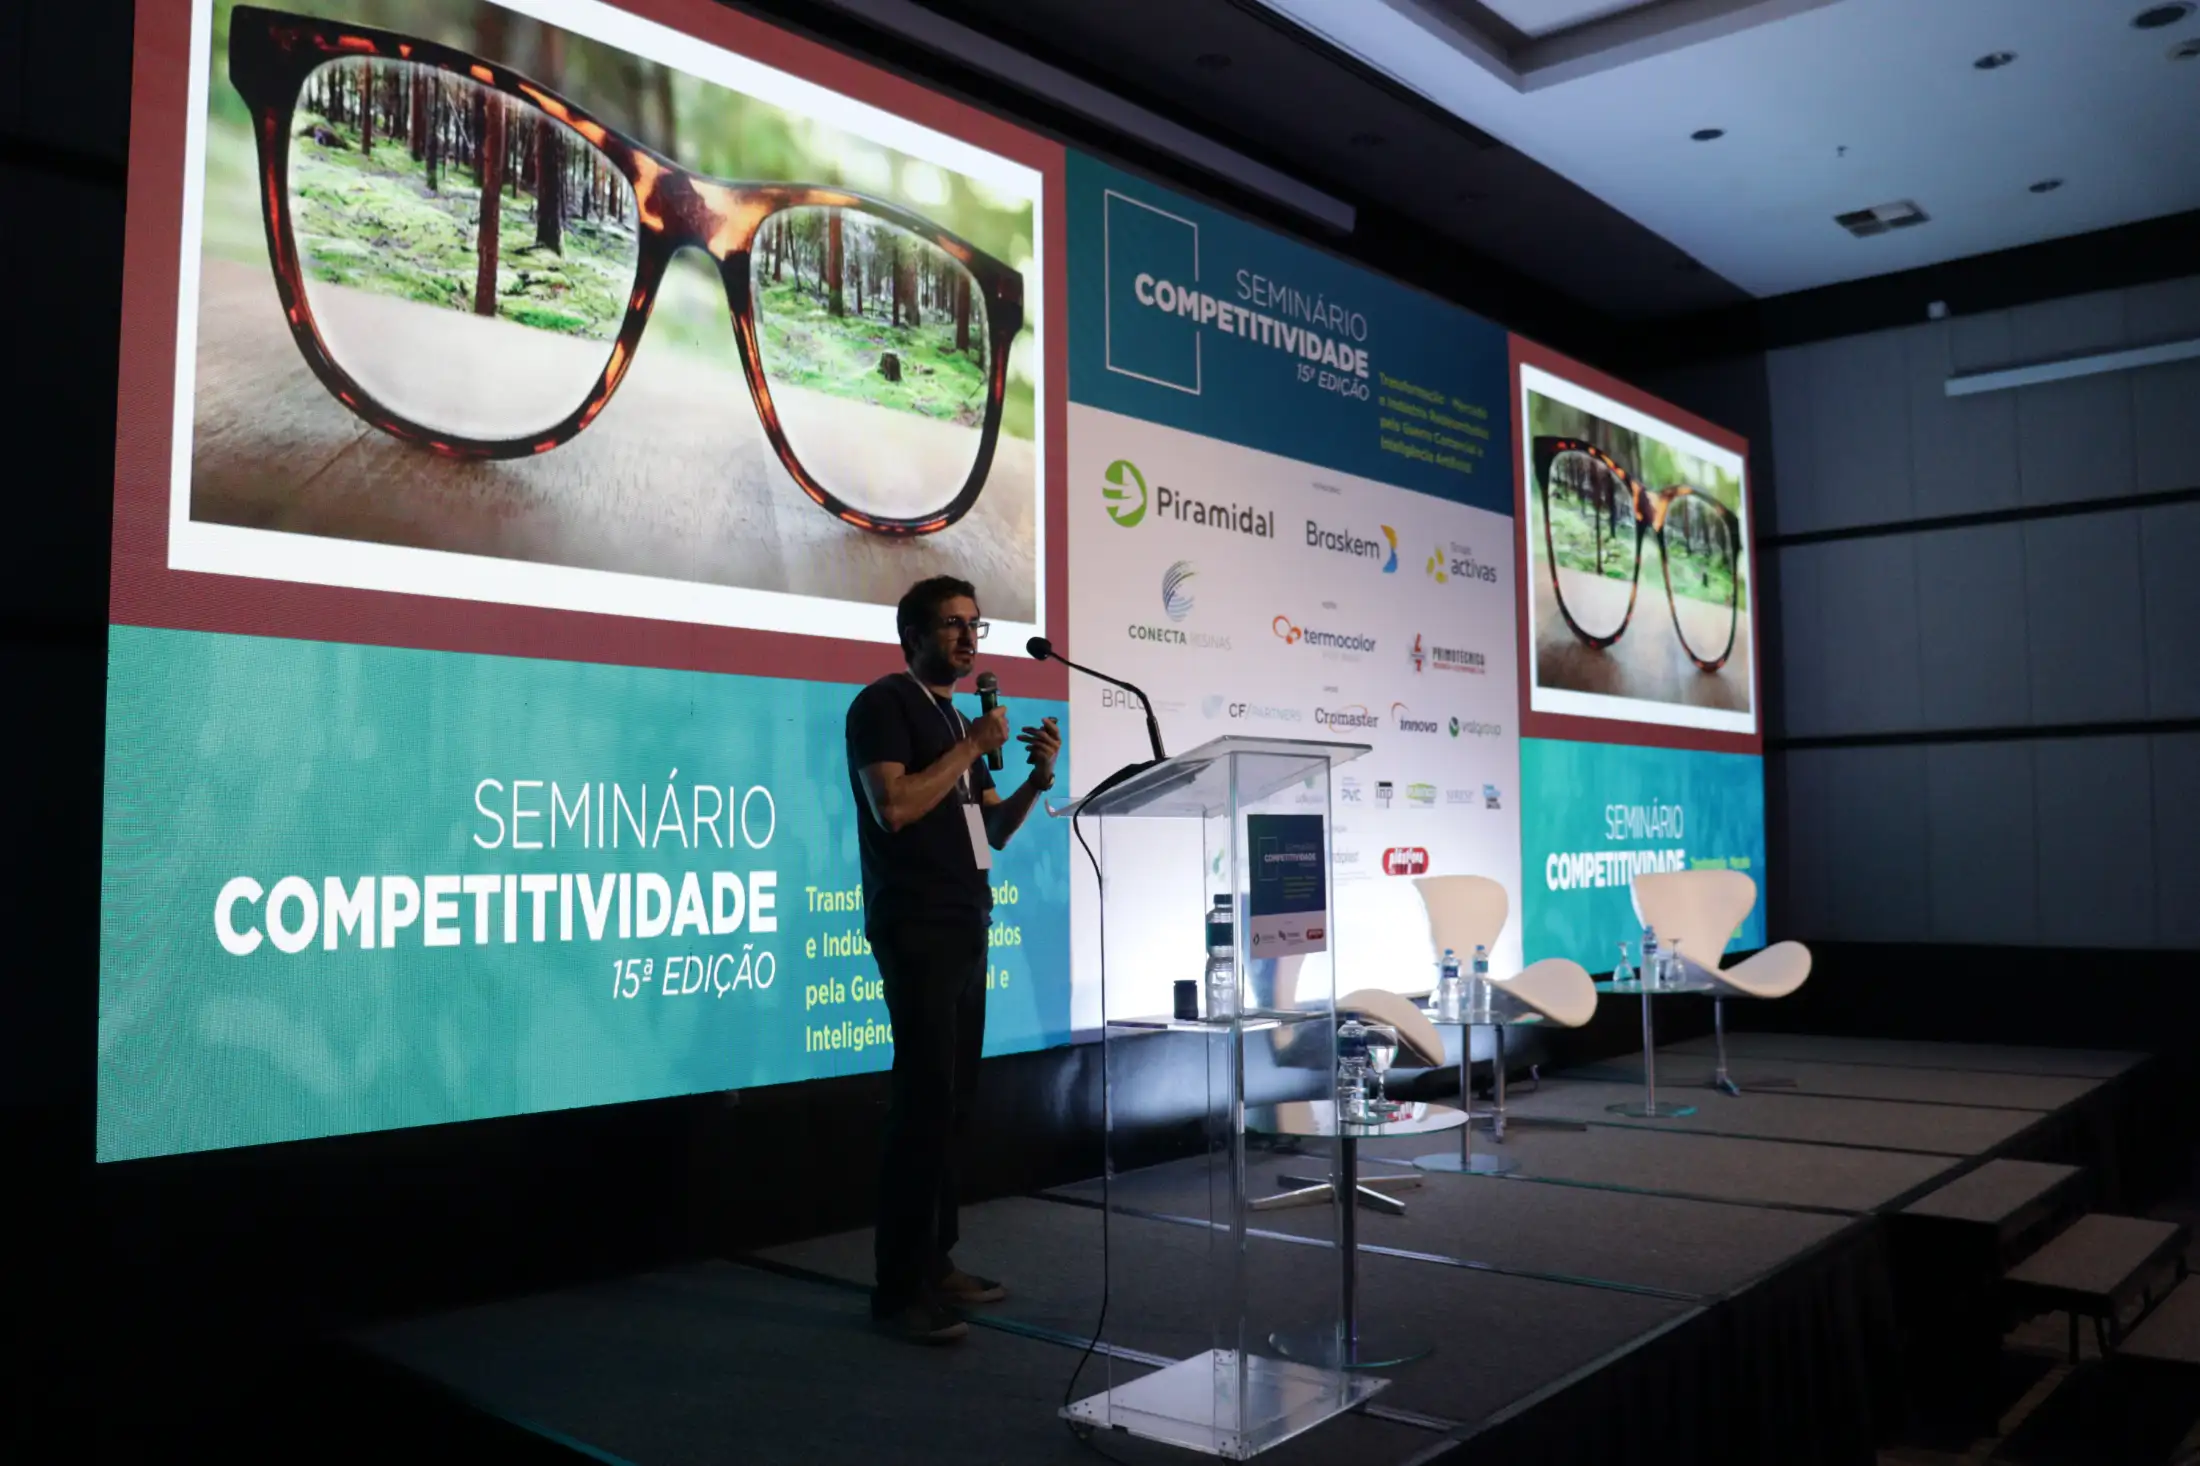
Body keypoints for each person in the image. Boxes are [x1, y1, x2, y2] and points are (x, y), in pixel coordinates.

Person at [845, 576, 1061, 1343]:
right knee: (922, 1104)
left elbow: (991, 831)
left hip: (968, 924)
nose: (969, 638)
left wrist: (1036, 780)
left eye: (976, 624)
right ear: (913, 635)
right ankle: (898, 1291)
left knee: (952, 1104)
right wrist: (973, 745)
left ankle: (935, 1262)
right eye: (952, 624)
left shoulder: (959, 719)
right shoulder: (886, 705)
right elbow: (894, 807)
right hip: (917, 926)